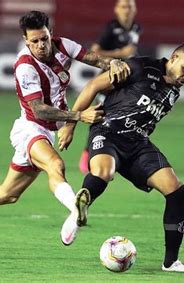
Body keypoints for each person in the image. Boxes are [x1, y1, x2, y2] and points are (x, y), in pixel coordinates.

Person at [0, 10, 131, 246]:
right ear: (25, 40)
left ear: (50, 33)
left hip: (47, 132)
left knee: (7, 194)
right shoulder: (25, 67)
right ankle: (75, 211)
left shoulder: (63, 46)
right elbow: (39, 110)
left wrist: (112, 62)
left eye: (44, 38)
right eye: (34, 41)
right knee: (55, 165)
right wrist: (77, 116)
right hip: (30, 128)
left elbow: (93, 58)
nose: (41, 45)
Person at [58, 42, 184, 273]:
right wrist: (70, 125)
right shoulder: (140, 67)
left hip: (138, 144)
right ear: (174, 57)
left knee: (176, 191)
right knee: (103, 173)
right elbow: (94, 85)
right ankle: (77, 214)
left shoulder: (174, 89)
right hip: (107, 131)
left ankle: (171, 262)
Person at [79, 0, 141, 174]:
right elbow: (95, 51)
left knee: (125, 117)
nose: (126, 10)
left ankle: (119, 154)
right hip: (108, 81)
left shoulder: (136, 28)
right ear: (116, 10)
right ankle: (87, 154)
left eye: (130, 6)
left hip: (126, 81)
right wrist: (120, 54)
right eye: (123, 6)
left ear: (135, 9)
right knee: (101, 116)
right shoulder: (111, 28)